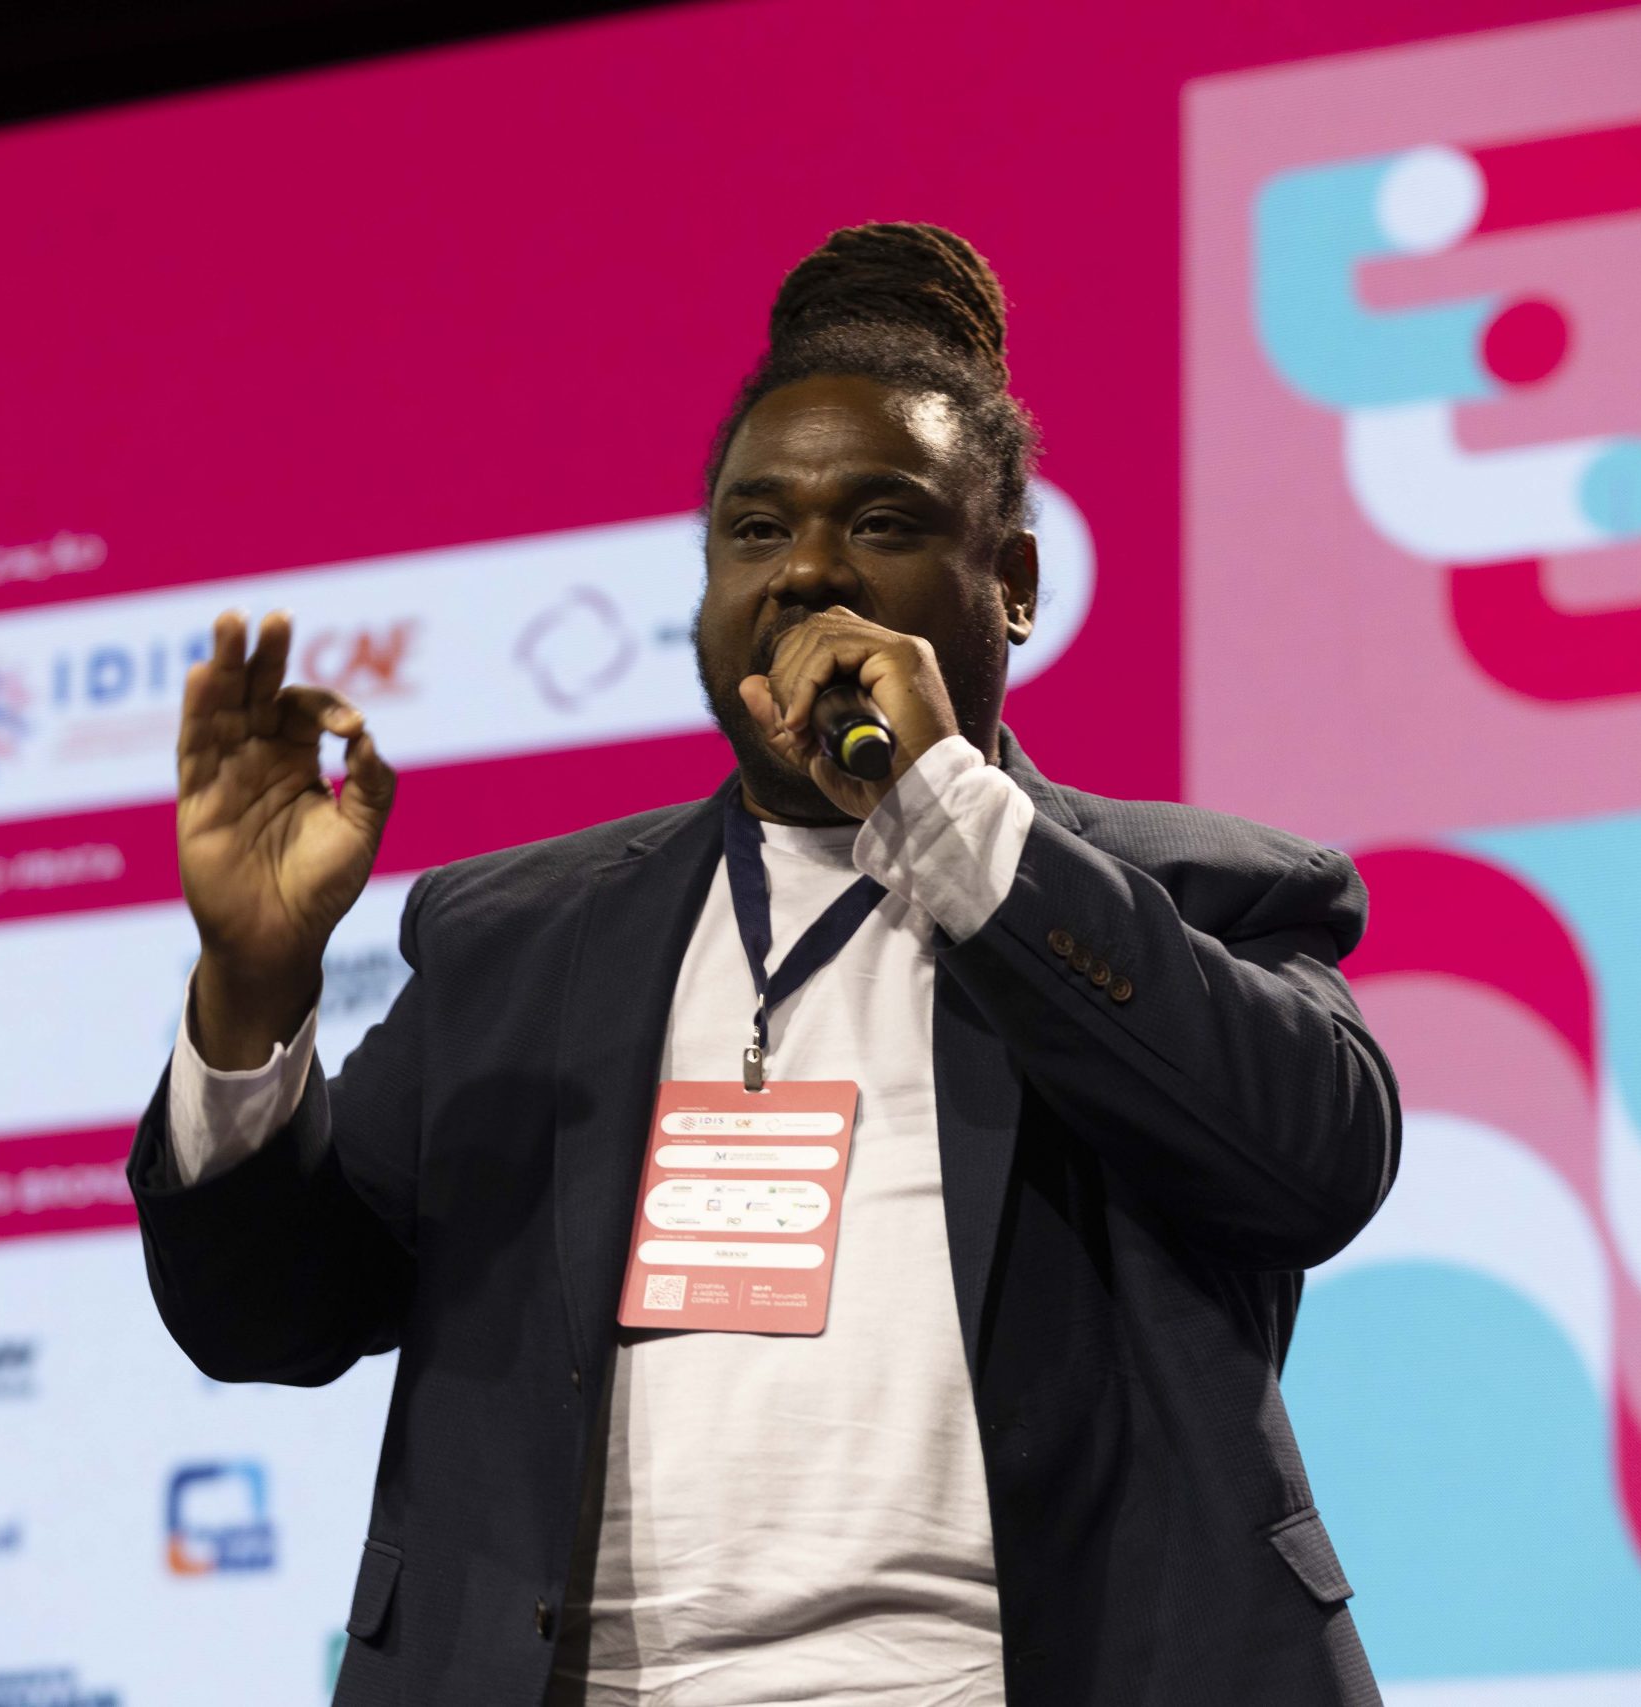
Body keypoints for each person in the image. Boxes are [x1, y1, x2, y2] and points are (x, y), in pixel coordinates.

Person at [131, 222, 1400, 1707]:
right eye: (754, 529)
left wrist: (948, 814)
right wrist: (252, 992)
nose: (804, 570)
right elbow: (266, 1316)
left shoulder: (1200, 895)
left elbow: (1312, 1166)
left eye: (882, 523)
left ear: (1013, 583)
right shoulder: (519, 939)